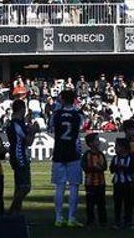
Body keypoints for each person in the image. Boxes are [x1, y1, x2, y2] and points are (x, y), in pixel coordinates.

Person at [49, 89, 84, 227]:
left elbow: (51, 126)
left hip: (59, 151)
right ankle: (71, 218)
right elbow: (80, 127)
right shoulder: (78, 115)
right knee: (74, 186)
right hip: (73, 152)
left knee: (59, 186)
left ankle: (58, 218)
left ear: (63, 99)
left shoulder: (56, 115)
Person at [7, 98, 36, 215]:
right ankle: (10, 212)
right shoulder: (16, 124)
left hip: (17, 155)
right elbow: (28, 141)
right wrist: (33, 131)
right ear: (21, 109)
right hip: (20, 157)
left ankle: (16, 215)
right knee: (25, 187)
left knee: (19, 187)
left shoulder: (15, 123)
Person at [81, 133, 107, 227]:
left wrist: (99, 167)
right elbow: (85, 167)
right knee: (90, 204)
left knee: (101, 203)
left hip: (101, 183)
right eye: (97, 140)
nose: (99, 142)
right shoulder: (86, 155)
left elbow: (105, 167)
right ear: (91, 143)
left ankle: (103, 221)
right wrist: (94, 168)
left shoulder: (101, 154)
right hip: (90, 183)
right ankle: (90, 220)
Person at [110, 138, 134, 229]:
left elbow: (131, 170)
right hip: (117, 184)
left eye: (117, 146)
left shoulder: (130, 158)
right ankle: (117, 221)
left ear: (123, 147)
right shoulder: (115, 158)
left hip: (127, 184)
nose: (115, 148)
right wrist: (117, 167)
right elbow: (111, 169)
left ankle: (128, 221)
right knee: (117, 204)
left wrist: (123, 168)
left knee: (128, 203)